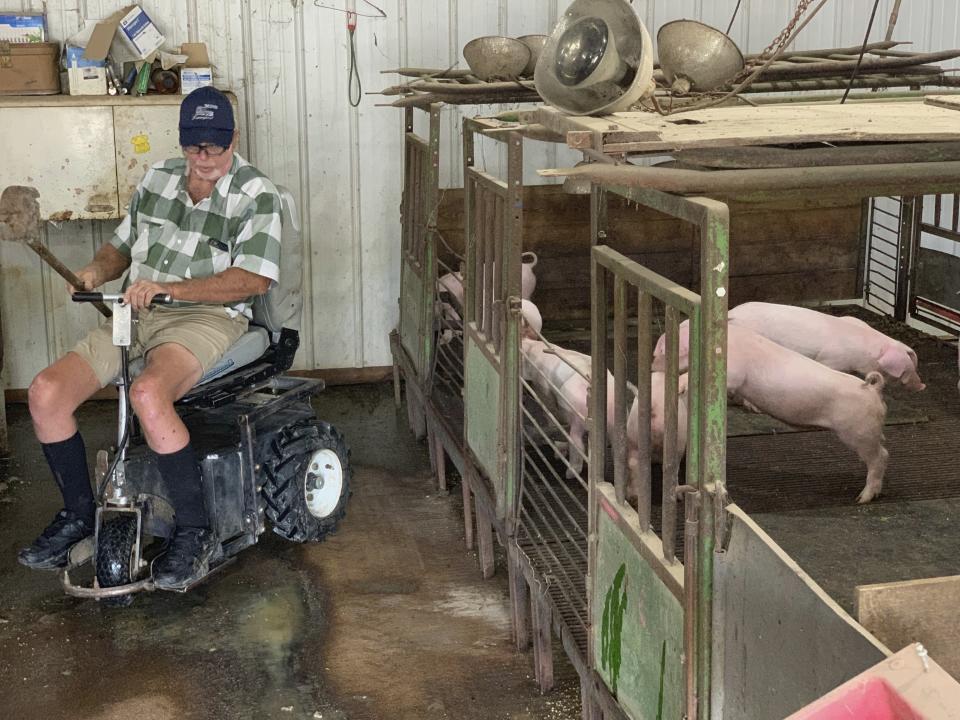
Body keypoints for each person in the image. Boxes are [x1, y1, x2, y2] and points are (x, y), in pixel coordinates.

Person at [18, 86, 283, 590]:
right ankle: (78, 515)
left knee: (147, 393)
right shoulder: (158, 177)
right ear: (182, 141)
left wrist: (169, 288)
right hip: (134, 310)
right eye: (194, 147)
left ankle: (195, 528)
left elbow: (254, 279)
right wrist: (95, 272)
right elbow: (120, 249)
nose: (204, 159)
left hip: (205, 316)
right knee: (45, 393)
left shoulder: (257, 193)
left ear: (234, 139)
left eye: (215, 147)